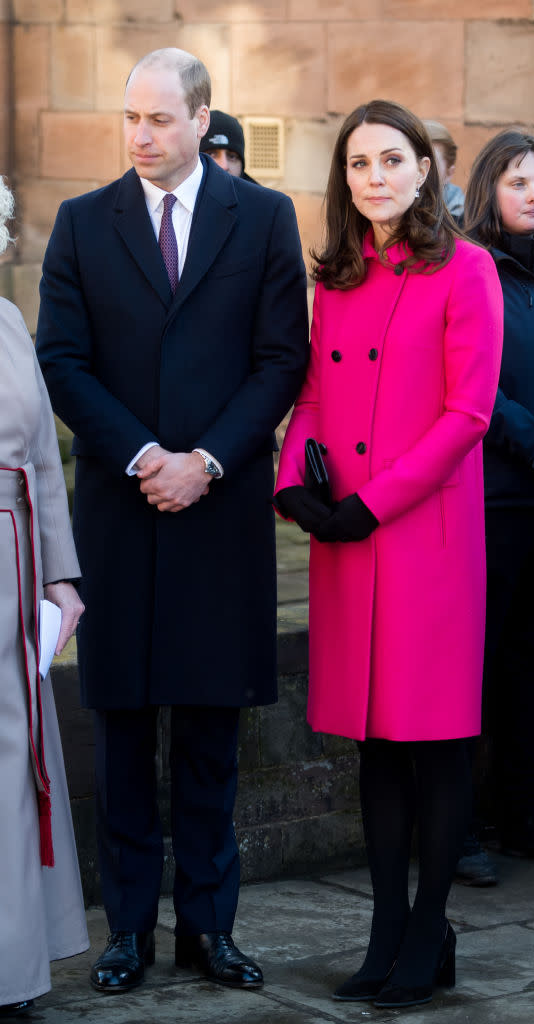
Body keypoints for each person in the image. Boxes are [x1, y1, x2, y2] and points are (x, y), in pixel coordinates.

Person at [35, 47, 308, 995]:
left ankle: (209, 929)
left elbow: (281, 360)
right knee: (119, 734)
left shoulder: (264, 219)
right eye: (129, 118)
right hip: (120, 511)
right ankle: (127, 936)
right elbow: (61, 364)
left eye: (158, 118)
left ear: (201, 119)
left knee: (208, 737)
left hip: (220, 516)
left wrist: (207, 462)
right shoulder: (80, 224)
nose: (140, 135)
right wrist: (149, 458)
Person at [274, 99, 503, 1009]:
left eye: (390, 160)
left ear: (425, 170)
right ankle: (383, 929)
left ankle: (428, 926)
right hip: (347, 548)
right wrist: (294, 484)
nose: (374, 177)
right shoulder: (331, 279)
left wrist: (368, 504)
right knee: (372, 745)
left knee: (436, 744)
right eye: (359, 164)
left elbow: (467, 416)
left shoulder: (469, 271)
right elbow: (315, 400)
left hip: (425, 545)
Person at [455, 130, 534, 887]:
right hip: (493, 493)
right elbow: (469, 378)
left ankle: (524, 812)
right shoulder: (469, 269)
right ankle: (459, 823)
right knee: (473, 662)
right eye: (516, 182)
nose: (532, 195)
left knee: (529, 658)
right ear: (488, 191)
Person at [0, 177, 88, 1016]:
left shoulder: (9, 324)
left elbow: (41, 468)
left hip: (14, 568)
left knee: (16, 765)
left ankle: (13, 970)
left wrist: (60, 574)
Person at [199, 109, 257, 182]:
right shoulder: (182, 191)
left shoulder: (257, 193)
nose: (224, 166)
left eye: (232, 157)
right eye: (212, 154)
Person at [424, 120, 465, 223]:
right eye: (414, 160)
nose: (420, 170)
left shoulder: (466, 223)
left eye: (430, 164)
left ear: (449, 174)